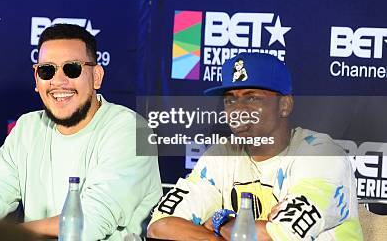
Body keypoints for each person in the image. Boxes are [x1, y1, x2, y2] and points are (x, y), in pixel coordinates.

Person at [0, 23, 163, 240]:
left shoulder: (131, 129)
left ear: (96, 77)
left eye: (72, 69)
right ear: (36, 78)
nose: (58, 81)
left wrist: (13, 236)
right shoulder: (28, 127)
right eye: (47, 70)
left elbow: (88, 222)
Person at [147, 53, 363, 240]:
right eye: (230, 100)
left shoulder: (321, 155)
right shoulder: (221, 155)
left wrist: (220, 222)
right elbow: (160, 227)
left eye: (252, 98)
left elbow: (270, 237)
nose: (238, 109)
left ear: (285, 105)